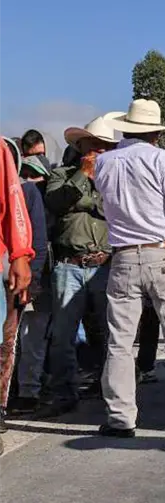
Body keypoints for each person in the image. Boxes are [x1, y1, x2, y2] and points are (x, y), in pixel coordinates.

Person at [95, 99, 165, 436]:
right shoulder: (163, 160)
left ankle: (121, 417)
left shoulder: (104, 162)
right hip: (163, 254)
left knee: (120, 341)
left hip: (123, 257)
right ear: (156, 132)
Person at [34, 116, 119, 418]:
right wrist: (83, 175)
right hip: (70, 265)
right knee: (63, 336)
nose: (98, 152)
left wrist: (95, 187)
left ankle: (114, 392)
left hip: (105, 264)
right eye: (92, 146)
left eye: (104, 147)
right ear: (81, 147)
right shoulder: (61, 175)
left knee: (111, 334)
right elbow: (56, 202)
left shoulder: (116, 180)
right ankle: (63, 393)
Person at [0, 138, 48, 435]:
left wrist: (23, 261)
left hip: (6, 268)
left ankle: (4, 403)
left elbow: (26, 226)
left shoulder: (24, 189)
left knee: (8, 342)